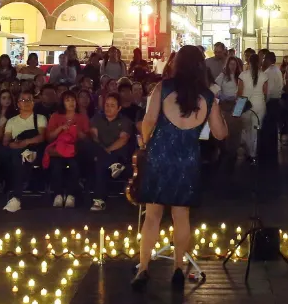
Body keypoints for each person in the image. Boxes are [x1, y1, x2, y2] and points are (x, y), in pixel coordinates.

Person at [132, 46, 229, 291]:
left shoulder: (162, 88)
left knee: (152, 216)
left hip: (160, 157)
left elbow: (149, 121)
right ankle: (177, 267)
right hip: (188, 160)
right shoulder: (207, 97)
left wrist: (145, 143)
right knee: (181, 216)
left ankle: (143, 268)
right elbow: (221, 133)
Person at [84, 92, 135, 211]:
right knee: (89, 144)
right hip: (100, 151)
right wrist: (104, 152)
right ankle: (112, 165)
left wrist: (106, 151)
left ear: (119, 108)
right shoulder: (97, 118)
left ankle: (99, 200)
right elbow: (94, 136)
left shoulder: (125, 121)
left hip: (117, 154)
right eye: (107, 105)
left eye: (112, 105)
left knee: (101, 161)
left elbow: (123, 139)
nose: (108, 108)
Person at [1, 90, 48, 213]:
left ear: (33, 103)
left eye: (29, 100)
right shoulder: (11, 121)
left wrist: (25, 142)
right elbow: (6, 141)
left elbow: (42, 137)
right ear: (18, 104)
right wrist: (15, 145)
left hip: (34, 150)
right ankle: (16, 196)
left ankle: (16, 197)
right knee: (17, 157)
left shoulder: (40, 118)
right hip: (16, 151)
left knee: (22, 157)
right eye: (23, 100)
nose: (26, 103)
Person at [44, 90, 89, 208]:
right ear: (62, 103)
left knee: (74, 165)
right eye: (67, 100)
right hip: (59, 151)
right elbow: (49, 138)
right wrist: (61, 129)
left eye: (73, 100)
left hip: (75, 151)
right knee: (57, 166)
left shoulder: (82, 117)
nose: (71, 103)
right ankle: (57, 194)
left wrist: (77, 130)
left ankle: (71, 195)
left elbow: (86, 138)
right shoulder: (56, 116)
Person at [238, 49, 265, 163]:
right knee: (255, 130)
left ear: (248, 62)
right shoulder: (264, 75)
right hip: (259, 105)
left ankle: (247, 149)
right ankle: (252, 153)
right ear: (259, 63)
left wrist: (237, 109)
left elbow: (239, 93)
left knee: (244, 129)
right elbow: (266, 92)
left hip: (245, 105)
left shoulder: (243, 75)